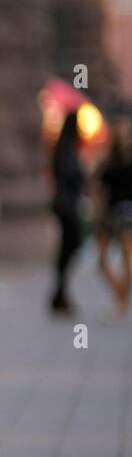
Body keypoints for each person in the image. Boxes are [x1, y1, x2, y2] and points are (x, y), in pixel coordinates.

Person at [50, 111, 86, 317]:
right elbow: (70, 176)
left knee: (67, 248)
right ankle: (59, 293)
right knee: (69, 247)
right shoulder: (66, 150)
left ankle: (60, 293)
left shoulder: (65, 147)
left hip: (66, 206)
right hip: (67, 207)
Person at [97, 113, 132, 319]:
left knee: (128, 259)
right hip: (109, 214)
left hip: (128, 213)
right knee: (102, 261)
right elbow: (98, 183)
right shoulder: (108, 159)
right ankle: (119, 292)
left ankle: (122, 300)